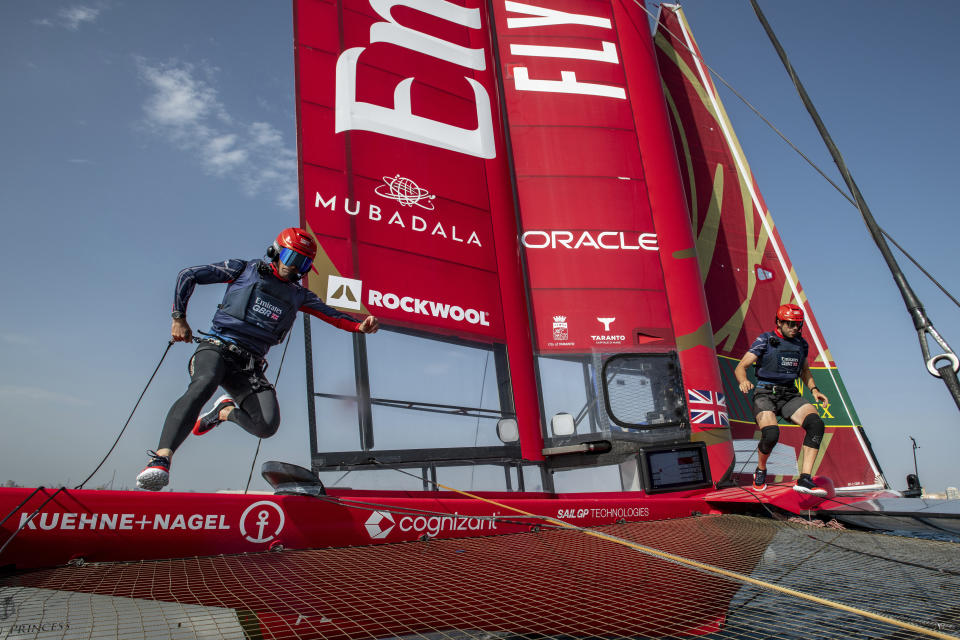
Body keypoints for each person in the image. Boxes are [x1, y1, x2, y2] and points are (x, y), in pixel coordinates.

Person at [136, 227, 379, 491]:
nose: (294, 267)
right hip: (217, 349)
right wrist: (179, 318)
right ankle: (161, 460)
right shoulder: (242, 269)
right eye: (291, 258)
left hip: (249, 367)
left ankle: (225, 411)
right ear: (275, 252)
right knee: (204, 384)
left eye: (303, 263)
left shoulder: (299, 295)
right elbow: (188, 275)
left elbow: (332, 315)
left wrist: (359, 327)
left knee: (266, 425)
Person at [734, 303, 829, 496]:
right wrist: (743, 381)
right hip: (765, 394)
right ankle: (760, 470)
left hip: (789, 394)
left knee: (816, 424)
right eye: (790, 324)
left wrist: (814, 389)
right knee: (771, 435)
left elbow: (804, 371)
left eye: (798, 325)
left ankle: (805, 478)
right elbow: (741, 366)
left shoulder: (801, 343)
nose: (794, 328)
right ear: (779, 322)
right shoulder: (765, 340)